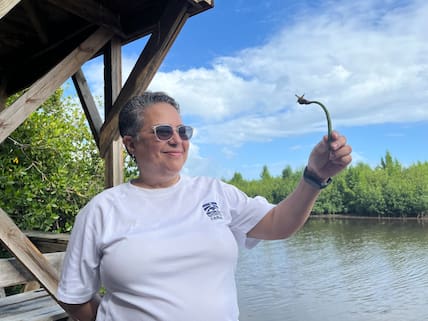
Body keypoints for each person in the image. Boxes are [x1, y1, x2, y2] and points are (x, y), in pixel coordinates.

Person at [57, 91, 352, 321]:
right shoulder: (102, 210)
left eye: (182, 131)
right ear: (131, 144)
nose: (176, 140)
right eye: (163, 131)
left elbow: (278, 224)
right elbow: (74, 296)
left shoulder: (215, 192)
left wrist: (315, 176)